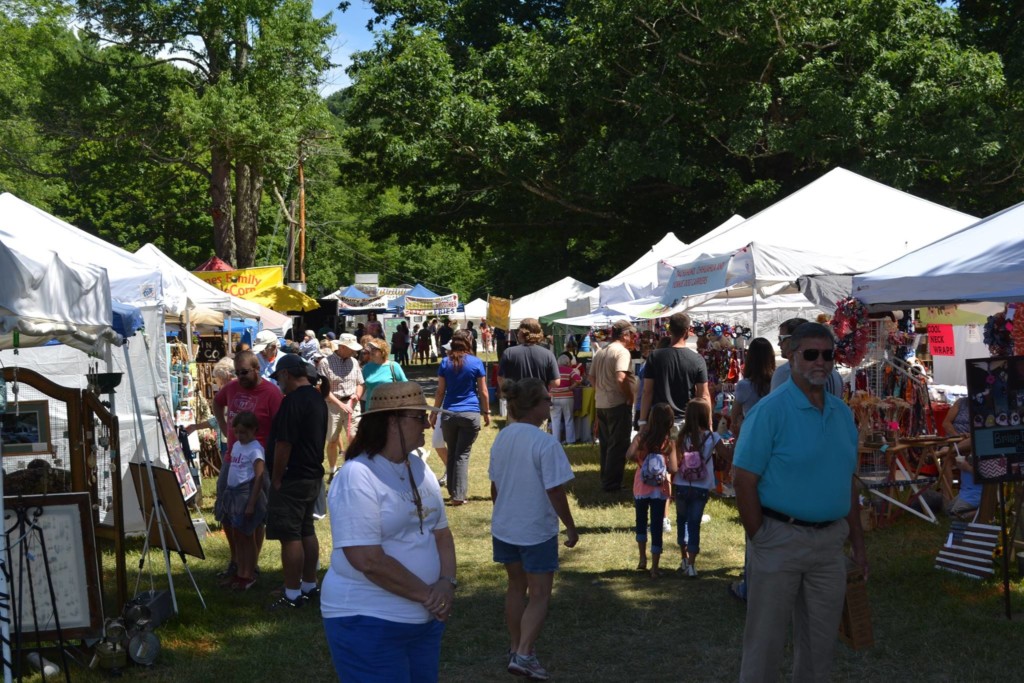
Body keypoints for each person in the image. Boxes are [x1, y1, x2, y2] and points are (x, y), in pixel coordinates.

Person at [733, 322, 867, 682]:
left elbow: (847, 480)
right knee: (765, 642)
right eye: (810, 354)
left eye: (827, 355)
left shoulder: (842, 414)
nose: (820, 362)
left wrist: (856, 540)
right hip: (779, 539)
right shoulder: (770, 411)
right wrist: (759, 534)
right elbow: (743, 478)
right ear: (791, 357)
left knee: (821, 646)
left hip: (828, 546)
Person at [321, 382, 455, 682]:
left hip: (422, 619)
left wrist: (447, 583)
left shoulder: (419, 468)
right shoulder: (357, 476)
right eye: (419, 417)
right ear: (392, 421)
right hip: (367, 620)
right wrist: (429, 596)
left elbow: (442, 534)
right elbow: (367, 559)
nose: (426, 424)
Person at [490, 378, 579, 681]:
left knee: (516, 587)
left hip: (505, 526)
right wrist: (570, 526)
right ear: (532, 405)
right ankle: (524, 654)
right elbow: (555, 490)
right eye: (545, 399)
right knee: (539, 593)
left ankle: (516, 647)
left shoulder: (502, 437)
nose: (550, 403)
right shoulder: (545, 442)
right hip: (535, 529)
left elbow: (494, 486)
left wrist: (502, 511)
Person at [214, 350, 283, 585]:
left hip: (256, 462)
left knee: (253, 517)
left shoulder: (272, 393)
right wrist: (225, 431)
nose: (239, 377)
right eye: (236, 373)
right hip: (232, 460)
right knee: (227, 512)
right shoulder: (232, 388)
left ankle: (251, 567)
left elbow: (281, 427)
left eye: (244, 372)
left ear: (256, 369)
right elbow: (217, 403)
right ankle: (237, 561)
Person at [266, 353, 329, 610]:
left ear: (285, 374)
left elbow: (284, 443)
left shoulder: (293, 401)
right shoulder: (316, 398)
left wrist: (277, 476)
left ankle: (292, 595)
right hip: (312, 474)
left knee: (290, 535)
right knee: (305, 530)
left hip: (294, 476)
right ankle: (308, 585)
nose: (279, 383)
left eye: (279, 378)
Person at [727, 337, 776, 601]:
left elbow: (734, 417)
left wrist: (739, 423)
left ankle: (750, 584)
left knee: (750, 512)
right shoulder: (777, 385)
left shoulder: (745, 386)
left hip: (748, 452)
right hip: (774, 453)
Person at [429, 330, 490, 505]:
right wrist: (486, 412)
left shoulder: (445, 363)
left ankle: (453, 492)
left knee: (453, 452)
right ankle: (458, 495)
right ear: (469, 342)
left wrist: (434, 413)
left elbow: (440, 391)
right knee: (462, 454)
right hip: (470, 413)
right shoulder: (476, 362)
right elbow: (484, 392)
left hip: (449, 414)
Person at [673, 399, 727, 577]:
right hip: (701, 486)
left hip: (681, 483)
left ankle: (683, 557)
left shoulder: (681, 437)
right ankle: (692, 564)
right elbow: (727, 455)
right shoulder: (713, 437)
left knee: (682, 520)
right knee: (694, 523)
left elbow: (676, 461)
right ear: (706, 416)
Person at [638, 312, 710, 430]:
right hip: (686, 420)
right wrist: (708, 424)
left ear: (669, 330)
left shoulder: (655, 357)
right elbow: (704, 395)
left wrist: (642, 421)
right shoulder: (697, 359)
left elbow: (647, 391)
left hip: (659, 420)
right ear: (687, 331)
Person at [628, 403, 675, 578]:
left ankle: (642, 558)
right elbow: (675, 468)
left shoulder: (641, 438)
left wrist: (641, 463)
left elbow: (629, 454)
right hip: (660, 489)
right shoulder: (668, 443)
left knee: (640, 520)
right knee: (656, 525)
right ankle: (655, 567)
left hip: (641, 485)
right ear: (669, 422)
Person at [222, 411, 267, 591]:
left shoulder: (256, 449)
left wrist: (251, 503)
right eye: (237, 432)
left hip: (246, 494)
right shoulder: (236, 446)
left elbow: (259, 477)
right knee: (237, 535)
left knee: (247, 536)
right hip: (233, 495)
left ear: (253, 430)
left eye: (243, 432)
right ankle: (240, 571)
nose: (239, 436)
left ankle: (249, 573)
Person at [591, 319, 637, 492]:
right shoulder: (622, 352)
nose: (634, 337)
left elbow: (592, 377)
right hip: (617, 403)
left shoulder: (602, 352)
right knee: (618, 444)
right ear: (624, 335)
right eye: (632, 334)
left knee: (606, 443)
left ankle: (607, 478)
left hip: (602, 403)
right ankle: (612, 483)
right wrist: (629, 396)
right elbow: (621, 377)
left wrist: (601, 390)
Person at [318, 333, 365, 476]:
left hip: (352, 404)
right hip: (332, 405)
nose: (354, 352)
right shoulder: (325, 363)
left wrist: (357, 395)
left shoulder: (354, 362)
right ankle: (333, 470)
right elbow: (323, 389)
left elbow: (360, 383)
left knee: (354, 436)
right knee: (332, 439)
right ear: (342, 347)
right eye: (351, 349)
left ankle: (354, 468)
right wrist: (339, 403)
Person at [771, 317, 845, 397]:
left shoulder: (785, 372)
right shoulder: (834, 375)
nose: (779, 343)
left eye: (781, 338)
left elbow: (774, 407)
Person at [941, 397, 982, 516]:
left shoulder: (984, 406)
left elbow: (982, 431)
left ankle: (946, 451)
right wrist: (957, 436)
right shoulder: (961, 402)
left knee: (973, 440)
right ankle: (946, 499)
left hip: (971, 444)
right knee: (946, 460)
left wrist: (969, 435)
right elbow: (946, 423)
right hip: (956, 440)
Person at [498, 318, 560, 393]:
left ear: (523, 332)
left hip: (517, 400)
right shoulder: (548, 354)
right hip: (539, 400)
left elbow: (500, 378)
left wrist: (509, 393)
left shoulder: (509, 353)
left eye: (519, 331)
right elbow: (556, 383)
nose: (517, 334)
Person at [362, 337, 409, 405]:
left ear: (382, 351)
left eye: (374, 349)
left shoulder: (393, 366)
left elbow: (405, 385)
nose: (371, 351)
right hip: (371, 407)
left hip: (390, 407)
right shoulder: (366, 367)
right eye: (370, 348)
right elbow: (362, 386)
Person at [549, 355, 582, 445]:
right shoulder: (569, 370)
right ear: (568, 363)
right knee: (569, 418)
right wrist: (571, 387)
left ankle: (556, 440)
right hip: (567, 397)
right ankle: (570, 440)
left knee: (555, 420)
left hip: (554, 397)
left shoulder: (552, 370)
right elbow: (579, 379)